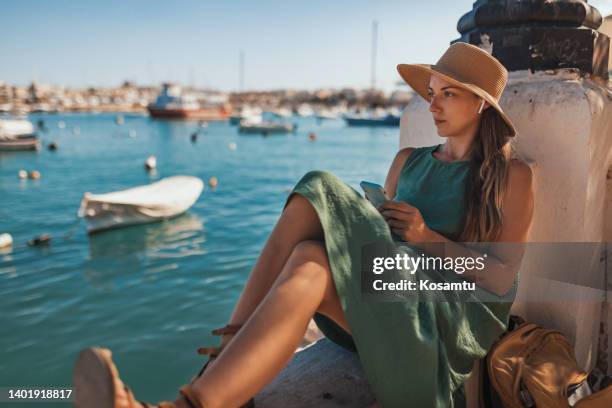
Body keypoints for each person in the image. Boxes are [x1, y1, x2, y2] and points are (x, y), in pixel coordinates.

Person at [72, 42, 535, 408]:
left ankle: (211, 374)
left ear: (480, 104)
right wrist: (381, 223)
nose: (432, 105)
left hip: (434, 331)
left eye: (447, 93)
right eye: (430, 93)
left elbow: (497, 279)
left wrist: (425, 236)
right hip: (384, 304)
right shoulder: (407, 162)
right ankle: (204, 398)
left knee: (319, 187)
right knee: (311, 257)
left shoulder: (512, 178)